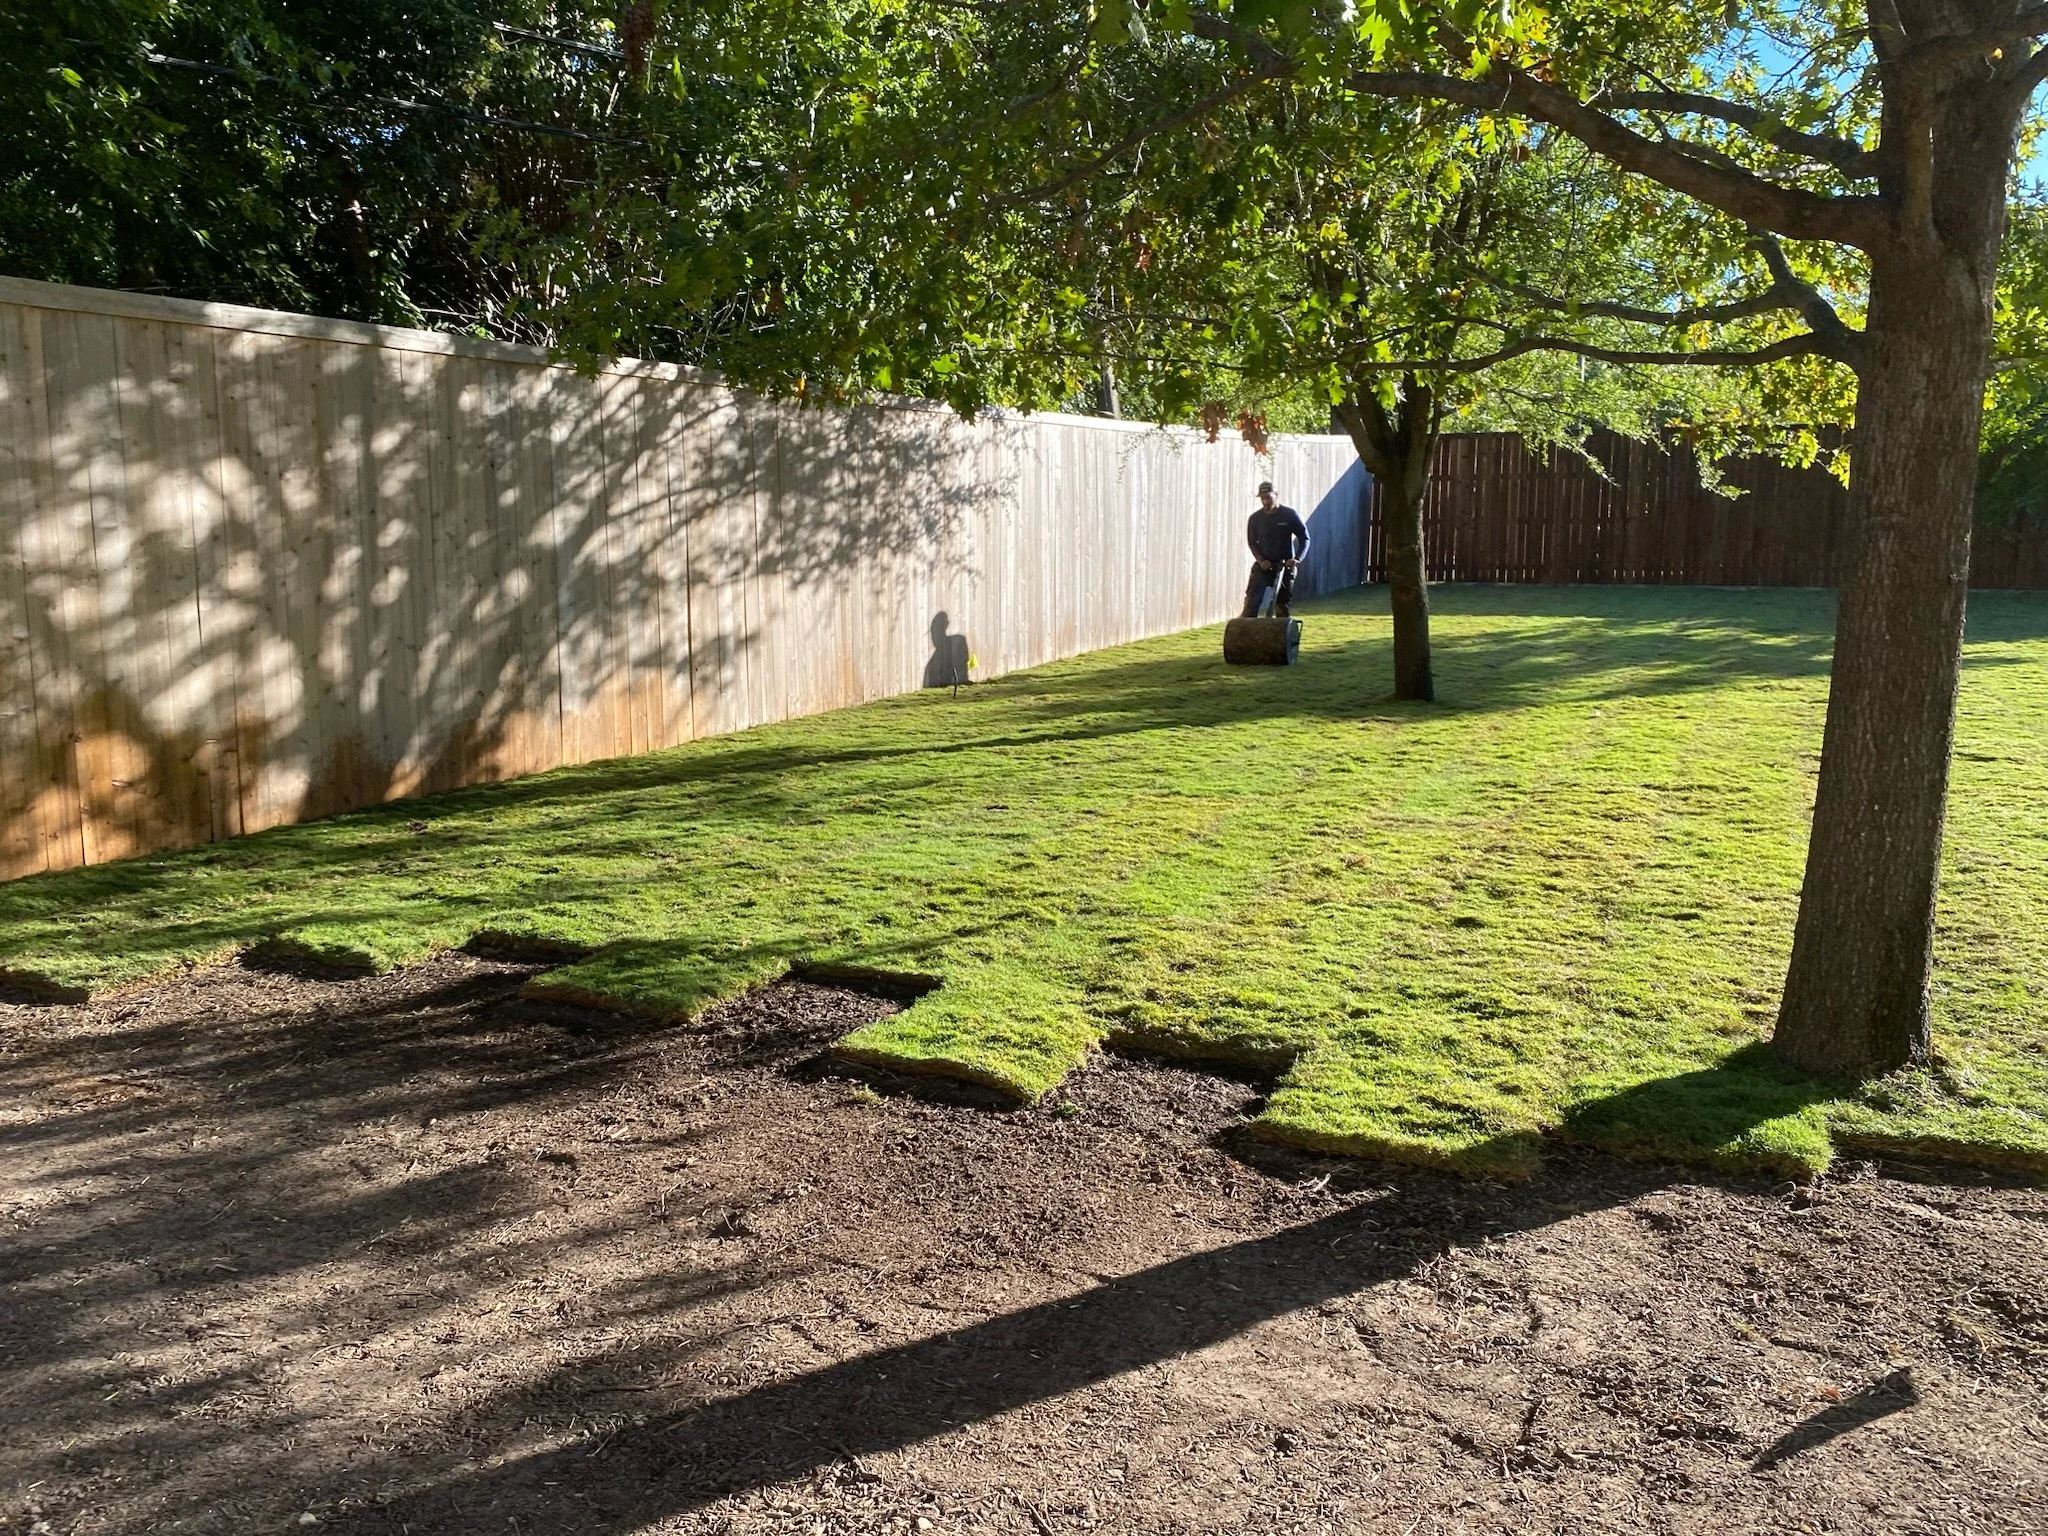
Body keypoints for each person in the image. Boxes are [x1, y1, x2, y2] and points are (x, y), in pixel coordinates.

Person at [1242, 481, 1310, 619]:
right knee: (1252, 602)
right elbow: (1252, 543)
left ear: (1276, 495)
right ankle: (1246, 634)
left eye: (1268, 497)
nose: (1265, 501)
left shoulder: (1289, 515)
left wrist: (1297, 559)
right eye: (1262, 498)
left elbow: (1305, 538)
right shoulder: (1255, 519)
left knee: (1281, 604)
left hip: (1285, 565)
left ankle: (1281, 637)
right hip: (1264, 566)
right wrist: (1261, 560)